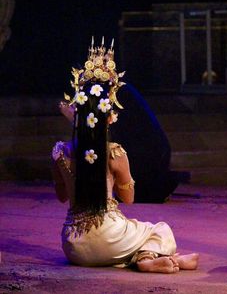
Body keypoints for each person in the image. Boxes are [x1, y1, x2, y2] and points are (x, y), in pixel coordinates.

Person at [51, 38, 199, 273]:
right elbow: (128, 198)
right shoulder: (114, 152)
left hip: (74, 247)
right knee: (160, 229)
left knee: (131, 233)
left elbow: (61, 196)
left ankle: (164, 260)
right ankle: (147, 258)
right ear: (108, 116)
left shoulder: (59, 152)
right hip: (110, 238)